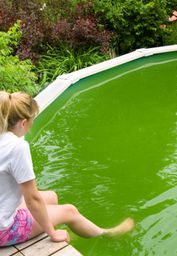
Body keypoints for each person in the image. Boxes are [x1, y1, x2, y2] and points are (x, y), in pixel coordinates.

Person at [0, 91, 134, 247]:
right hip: (3, 231)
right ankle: (106, 233)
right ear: (23, 123)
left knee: (51, 197)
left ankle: (57, 230)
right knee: (69, 211)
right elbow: (33, 199)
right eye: (32, 121)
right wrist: (52, 232)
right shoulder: (17, 148)